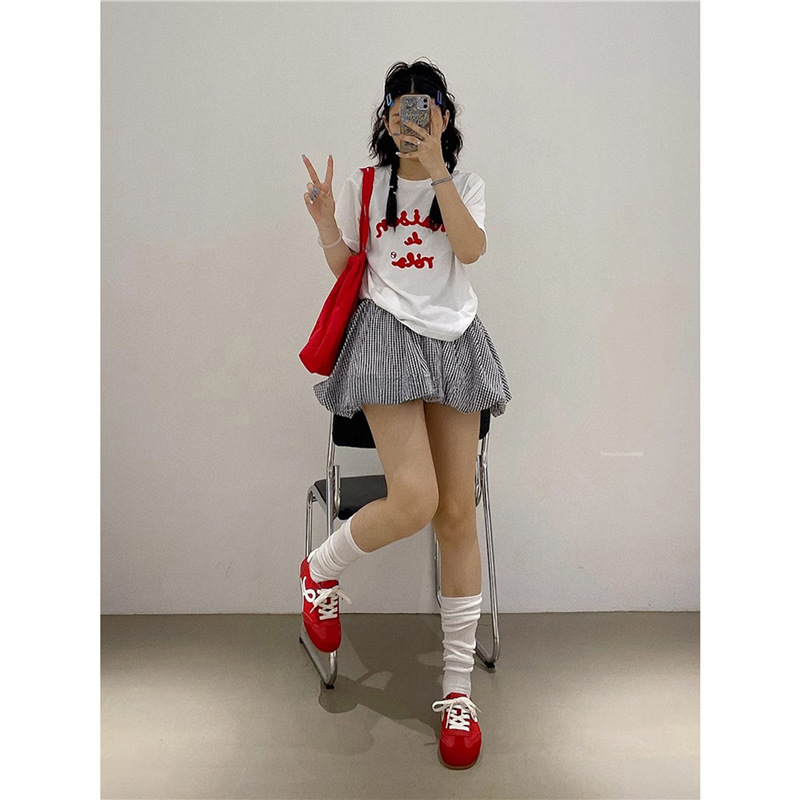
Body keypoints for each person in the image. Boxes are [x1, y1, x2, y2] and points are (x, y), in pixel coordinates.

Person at [299, 58, 512, 770]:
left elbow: (471, 251)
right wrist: (327, 225)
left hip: (455, 342)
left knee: (455, 514)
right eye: (401, 109)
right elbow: (350, 271)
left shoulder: (465, 185)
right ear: (386, 118)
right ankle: (320, 569)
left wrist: (437, 169)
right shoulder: (366, 186)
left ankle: (457, 693)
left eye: (426, 108)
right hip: (385, 338)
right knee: (415, 498)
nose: (412, 120)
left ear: (444, 116)